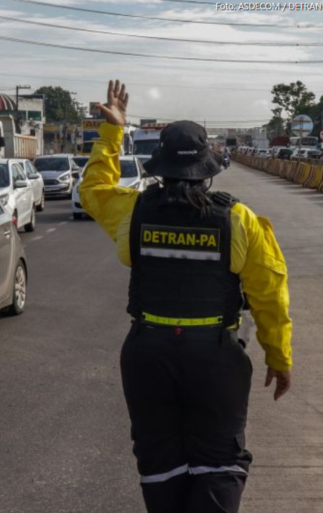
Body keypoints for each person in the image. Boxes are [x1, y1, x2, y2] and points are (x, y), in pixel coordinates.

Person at [79, 80, 293, 513]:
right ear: (207, 166)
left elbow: (93, 189)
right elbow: (269, 295)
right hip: (214, 357)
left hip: (148, 353)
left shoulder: (133, 210)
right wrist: (279, 356)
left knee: (159, 461)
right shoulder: (239, 219)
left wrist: (112, 132)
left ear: (160, 167)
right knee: (219, 463)